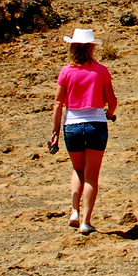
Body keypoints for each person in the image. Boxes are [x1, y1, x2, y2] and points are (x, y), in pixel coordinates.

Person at [50, 28, 117, 235]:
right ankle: (86, 221)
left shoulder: (66, 72)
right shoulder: (101, 70)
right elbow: (112, 101)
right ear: (92, 48)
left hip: (72, 125)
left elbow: (58, 103)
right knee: (91, 175)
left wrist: (54, 132)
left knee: (77, 169)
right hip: (96, 123)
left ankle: (74, 211)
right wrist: (110, 113)